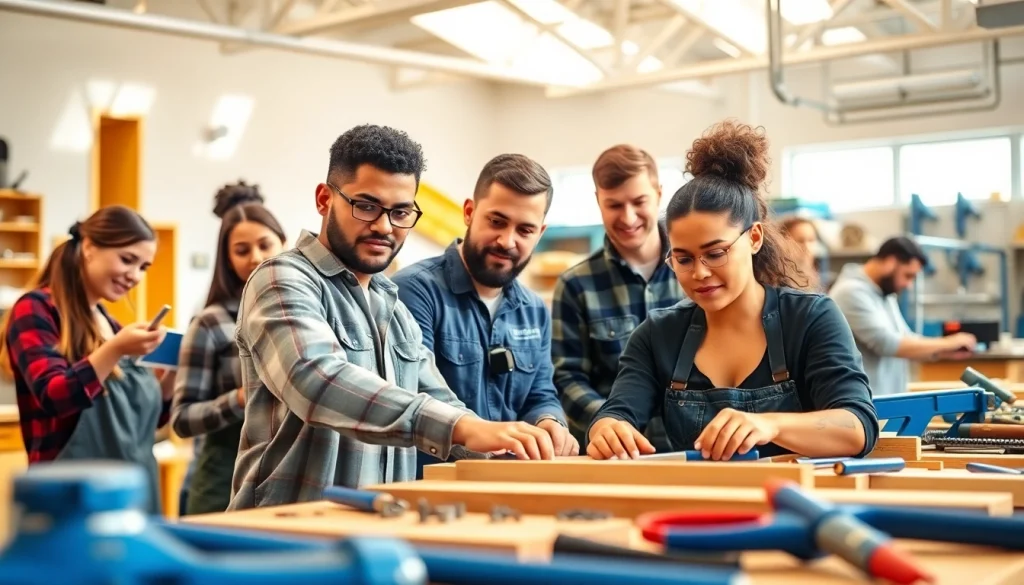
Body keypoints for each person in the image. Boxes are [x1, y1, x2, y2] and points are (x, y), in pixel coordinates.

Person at [229, 124, 558, 510]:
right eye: (366, 206)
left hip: (375, 532)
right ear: (324, 199)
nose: (385, 226)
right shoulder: (282, 278)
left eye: (401, 212)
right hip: (284, 541)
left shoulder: (394, 308)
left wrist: (520, 457)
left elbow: (442, 404)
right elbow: (315, 380)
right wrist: (463, 427)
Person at [586, 120, 879, 461]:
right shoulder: (657, 335)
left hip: (797, 504)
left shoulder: (811, 319)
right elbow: (618, 411)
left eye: (715, 253)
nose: (699, 272)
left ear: (754, 238)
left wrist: (771, 425)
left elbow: (857, 427)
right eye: (683, 258)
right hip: (697, 506)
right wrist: (605, 427)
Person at [393, 154, 577, 476]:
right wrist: (483, 440)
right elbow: (413, 397)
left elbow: (540, 393)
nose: (507, 241)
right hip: (430, 487)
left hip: (512, 484)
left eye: (525, 230)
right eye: (497, 221)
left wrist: (550, 422)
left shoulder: (534, 310)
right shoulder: (413, 292)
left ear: (540, 232)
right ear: (469, 212)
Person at [0, 205, 172, 512]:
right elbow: (55, 395)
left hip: (129, 498)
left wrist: (173, 372)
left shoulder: (112, 324)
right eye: (127, 259)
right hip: (67, 502)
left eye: (143, 267)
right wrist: (115, 348)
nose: (134, 276)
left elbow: (146, 422)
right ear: (90, 247)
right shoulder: (36, 309)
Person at [551, 144, 685, 450]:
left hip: (696, 447)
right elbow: (567, 377)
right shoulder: (576, 286)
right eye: (614, 205)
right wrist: (611, 425)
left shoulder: (698, 273)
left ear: (659, 194)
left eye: (639, 201)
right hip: (618, 457)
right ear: (598, 201)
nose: (628, 217)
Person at [171, 182, 286, 515]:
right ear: (227, 259)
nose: (256, 258)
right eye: (241, 250)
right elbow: (182, 419)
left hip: (284, 479)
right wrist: (239, 397)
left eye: (266, 244)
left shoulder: (306, 316)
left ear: (284, 243)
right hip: (221, 482)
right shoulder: (211, 322)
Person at [830, 237, 977, 397]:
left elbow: (906, 338)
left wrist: (943, 351)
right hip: (865, 406)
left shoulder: (884, 294)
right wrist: (946, 342)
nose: (909, 285)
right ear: (890, 262)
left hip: (886, 403)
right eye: (908, 275)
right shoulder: (850, 292)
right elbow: (886, 343)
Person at [779, 216, 821, 291]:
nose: (807, 247)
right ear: (782, 243)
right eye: (800, 241)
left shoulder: (817, 280)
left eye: (811, 240)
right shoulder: (778, 286)